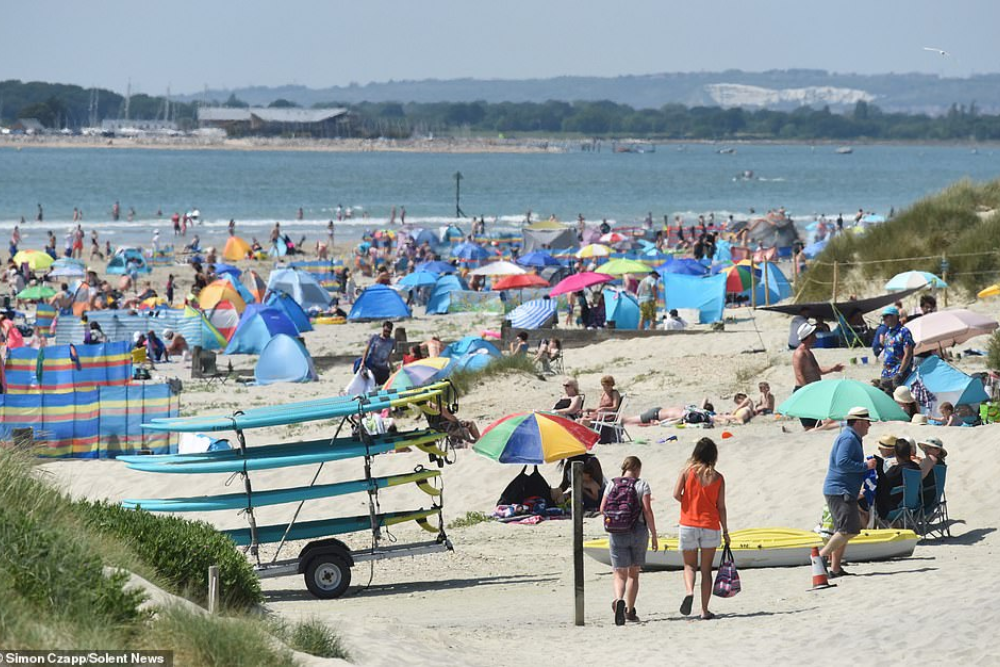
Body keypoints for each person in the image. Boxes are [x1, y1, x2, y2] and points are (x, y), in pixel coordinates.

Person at [818, 406, 878, 578]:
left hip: (843, 489)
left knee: (843, 530)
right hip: (839, 490)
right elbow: (842, 462)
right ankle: (822, 556)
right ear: (859, 422)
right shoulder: (849, 438)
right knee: (848, 529)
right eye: (867, 422)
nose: (869, 426)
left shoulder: (851, 437)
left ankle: (835, 568)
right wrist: (866, 466)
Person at [673, 438, 729, 620]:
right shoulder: (718, 478)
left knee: (689, 566)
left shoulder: (686, 472)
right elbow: (721, 507)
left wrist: (688, 504)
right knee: (706, 570)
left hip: (688, 523)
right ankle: (704, 610)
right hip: (710, 525)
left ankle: (689, 592)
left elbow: (675, 494)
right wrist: (726, 530)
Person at [601, 456, 657, 625]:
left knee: (619, 574)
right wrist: (654, 534)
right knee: (634, 574)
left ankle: (619, 599)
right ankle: (630, 611)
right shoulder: (642, 485)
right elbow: (647, 510)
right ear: (637, 468)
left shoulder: (611, 484)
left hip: (617, 533)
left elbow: (602, 508)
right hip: (638, 531)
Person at [792, 322, 845, 429]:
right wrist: (808, 390)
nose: (816, 337)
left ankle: (840, 424)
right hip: (805, 391)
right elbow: (799, 374)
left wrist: (833, 369)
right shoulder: (799, 353)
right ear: (809, 336)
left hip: (813, 390)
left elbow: (817, 370)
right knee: (810, 425)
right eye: (814, 335)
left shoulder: (808, 352)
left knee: (817, 422)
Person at [875, 306, 914, 391]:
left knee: (899, 398)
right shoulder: (888, 333)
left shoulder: (904, 331)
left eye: (886, 316)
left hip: (900, 372)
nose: (884, 319)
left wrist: (900, 373)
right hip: (886, 373)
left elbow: (908, 354)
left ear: (894, 316)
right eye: (883, 317)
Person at [361, 321, 396, 385]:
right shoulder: (375, 338)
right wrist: (362, 362)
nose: (387, 333)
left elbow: (389, 354)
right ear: (382, 328)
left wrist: (391, 366)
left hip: (384, 368)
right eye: (385, 331)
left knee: (384, 387)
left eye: (389, 332)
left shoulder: (392, 341)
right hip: (373, 366)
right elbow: (367, 350)